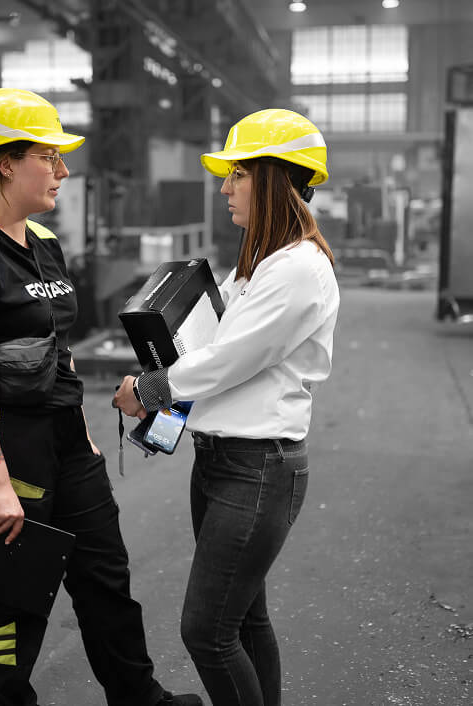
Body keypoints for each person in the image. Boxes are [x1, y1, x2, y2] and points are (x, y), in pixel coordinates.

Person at [0, 88, 202, 706]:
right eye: (50, 157)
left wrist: (83, 432)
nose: (63, 171)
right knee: (8, 600)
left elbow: (60, 349)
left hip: (64, 442)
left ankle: (139, 697)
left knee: (105, 575)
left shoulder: (44, 243)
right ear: (6, 163)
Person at [113, 108, 340, 706]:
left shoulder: (297, 270)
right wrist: (158, 359)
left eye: (236, 174)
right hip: (222, 464)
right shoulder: (261, 265)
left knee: (207, 632)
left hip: (258, 469)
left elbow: (230, 359)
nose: (224, 187)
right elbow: (210, 345)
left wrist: (152, 390)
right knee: (242, 621)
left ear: (270, 177)